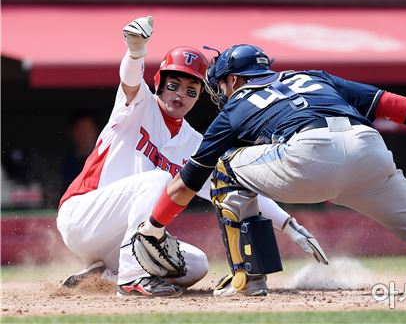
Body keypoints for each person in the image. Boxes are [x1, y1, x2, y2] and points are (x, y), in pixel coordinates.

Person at [136, 44, 406, 297]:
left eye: (221, 84)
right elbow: (385, 102)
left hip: (306, 159)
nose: (221, 92)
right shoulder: (312, 77)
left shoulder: (238, 104)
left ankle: (249, 279)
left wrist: (153, 225)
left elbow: (188, 182)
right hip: (368, 148)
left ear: (233, 79)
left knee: (224, 168)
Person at [57, 19, 326, 298]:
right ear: (159, 83)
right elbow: (130, 80)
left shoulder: (194, 143)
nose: (180, 95)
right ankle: (131, 278)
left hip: (118, 239)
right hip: (82, 216)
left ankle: (106, 275)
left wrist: (287, 224)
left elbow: (234, 187)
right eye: (174, 85)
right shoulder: (139, 105)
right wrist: (135, 52)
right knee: (161, 181)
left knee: (196, 265)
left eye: (191, 90)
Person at [62, 110, 99, 189]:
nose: (85, 134)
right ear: (73, 132)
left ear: (95, 131)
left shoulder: (104, 156)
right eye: (81, 129)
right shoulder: (67, 162)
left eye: (88, 129)